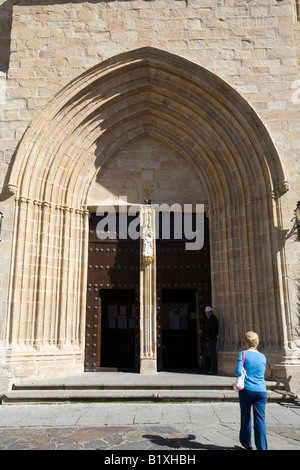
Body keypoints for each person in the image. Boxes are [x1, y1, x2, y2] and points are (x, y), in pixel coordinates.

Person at [235, 331, 268, 451]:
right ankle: (262, 447)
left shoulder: (243, 353)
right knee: (260, 419)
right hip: (261, 391)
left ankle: (246, 442)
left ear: (246, 343)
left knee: (246, 415)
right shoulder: (263, 356)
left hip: (247, 390)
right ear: (257, 342)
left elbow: (238, 372)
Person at [202, 306, 218, 375]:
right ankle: (205, 369)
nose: (207, 314)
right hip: (207, 340)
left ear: (211, 312)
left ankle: (213, 369)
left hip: (211, 340)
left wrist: (210, 337)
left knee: (212, 355)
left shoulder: (213, 319)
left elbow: (214, 331)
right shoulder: (209, 319)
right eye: (206, 313)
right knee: (206, 355)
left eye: (208, 312)